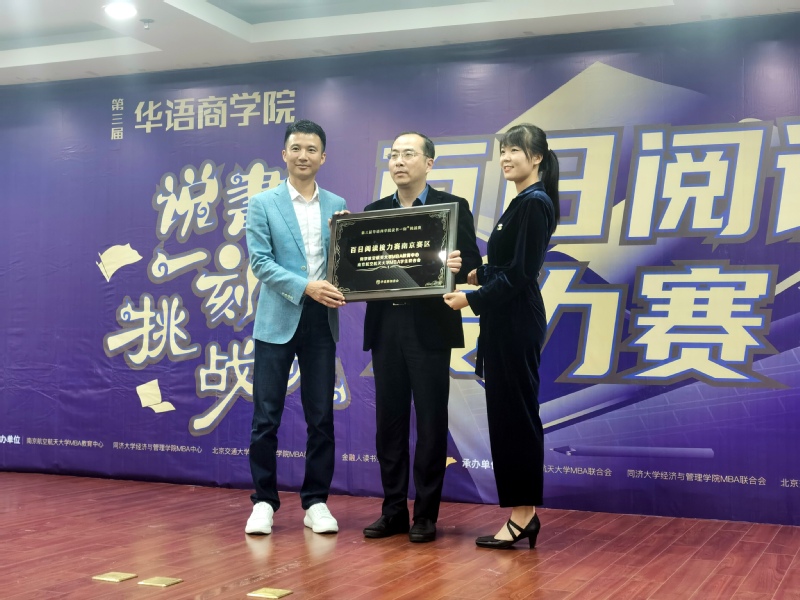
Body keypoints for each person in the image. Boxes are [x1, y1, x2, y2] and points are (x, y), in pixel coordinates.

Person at [443, 123, 559, 549]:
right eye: (504, 151)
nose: (506, 158)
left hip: (516, 321)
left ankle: (523, 515)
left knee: (517, 418)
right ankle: (521, 513)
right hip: (505, 319)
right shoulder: (521, 201)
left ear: (537, 157)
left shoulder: (535, 203)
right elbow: (511, 266)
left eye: (515, 150)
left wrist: (471, 298)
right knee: (507, 417)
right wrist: (483, 273)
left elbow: (524, 273)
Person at [362, 132, 482, 543]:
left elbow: (473, 265)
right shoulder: (374, 213)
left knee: (431, 422)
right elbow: (360, 270)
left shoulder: (452, 208)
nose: (399, 161)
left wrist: (460, 263)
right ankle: (393, 510)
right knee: (389, 423)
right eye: (394, 155)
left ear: (428, 163)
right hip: (386, 326)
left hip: (430, 326)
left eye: (408, 154)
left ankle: (426, 515)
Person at [245, 119, 348, 536]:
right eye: (296, 148)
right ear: (284, 154)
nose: (303, 155)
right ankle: (263, 502)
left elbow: (344, 263)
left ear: (323, 157)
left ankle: (316, 502)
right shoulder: (262, 203)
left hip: (322, 320)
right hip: (277, 320)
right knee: (265, 417)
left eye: (311, 149)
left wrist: (347, 252)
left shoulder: (337, 204)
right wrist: (306, 286)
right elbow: (260, 263)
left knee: (321, 416)